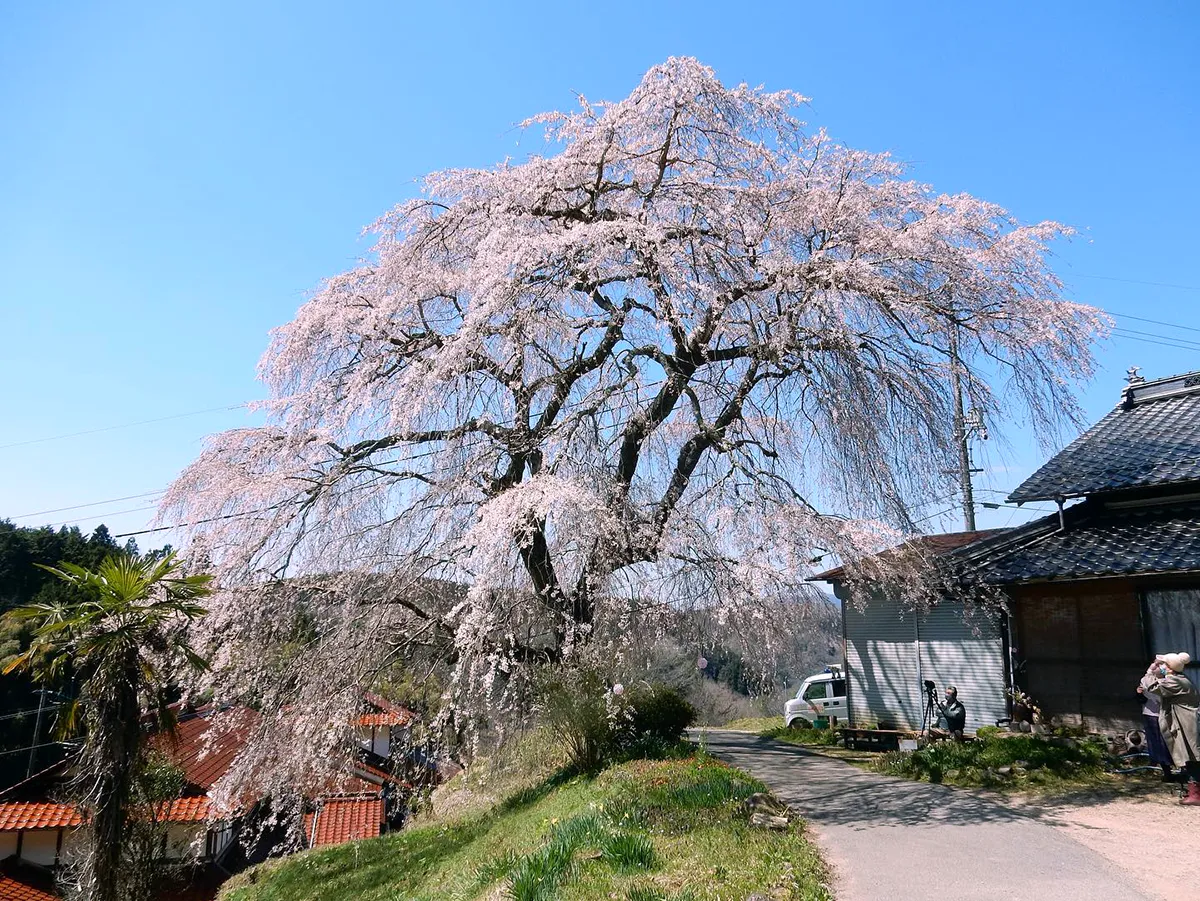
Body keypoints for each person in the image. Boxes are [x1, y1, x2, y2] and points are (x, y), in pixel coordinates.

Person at [1145, 652, 1200, 806]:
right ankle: (1194, 792)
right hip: (1185, 723)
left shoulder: (1175, 682)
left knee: (1192, 757)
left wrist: (1150, 671)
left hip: (1187, 724)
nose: (1160, 666)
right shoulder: (1178, 679)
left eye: (1163, 664)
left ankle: (1195, 794)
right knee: (1190, 756)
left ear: (1169, 668)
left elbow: (1151, 687)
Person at [1137, 662, 1174, 779]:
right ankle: (1166, 771)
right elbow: (1142, 697)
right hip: (1151, 714)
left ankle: (1171, 769)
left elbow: (1147, 680)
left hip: (1164, 715)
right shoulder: (1149, 681)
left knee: (1166, 744)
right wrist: (1139, 693)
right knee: (1157, 743)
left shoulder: (1166, 683)